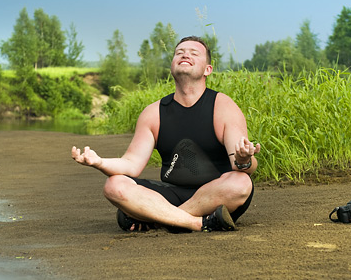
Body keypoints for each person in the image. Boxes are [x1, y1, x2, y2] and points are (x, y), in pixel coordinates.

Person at [72, 36, 260, 232]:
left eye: (194, 53)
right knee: (114, 185)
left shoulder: (223, 107)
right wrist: (99, 162)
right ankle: (195, 223)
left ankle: (158, 218)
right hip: (171, 193)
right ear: (172, 66)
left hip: (216, 195)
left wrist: (244, 159)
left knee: (241, 182)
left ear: (208, 69)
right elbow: (131, 165)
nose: (185, 54)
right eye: (179, 53)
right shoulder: (153, 113)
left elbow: (246, 167)